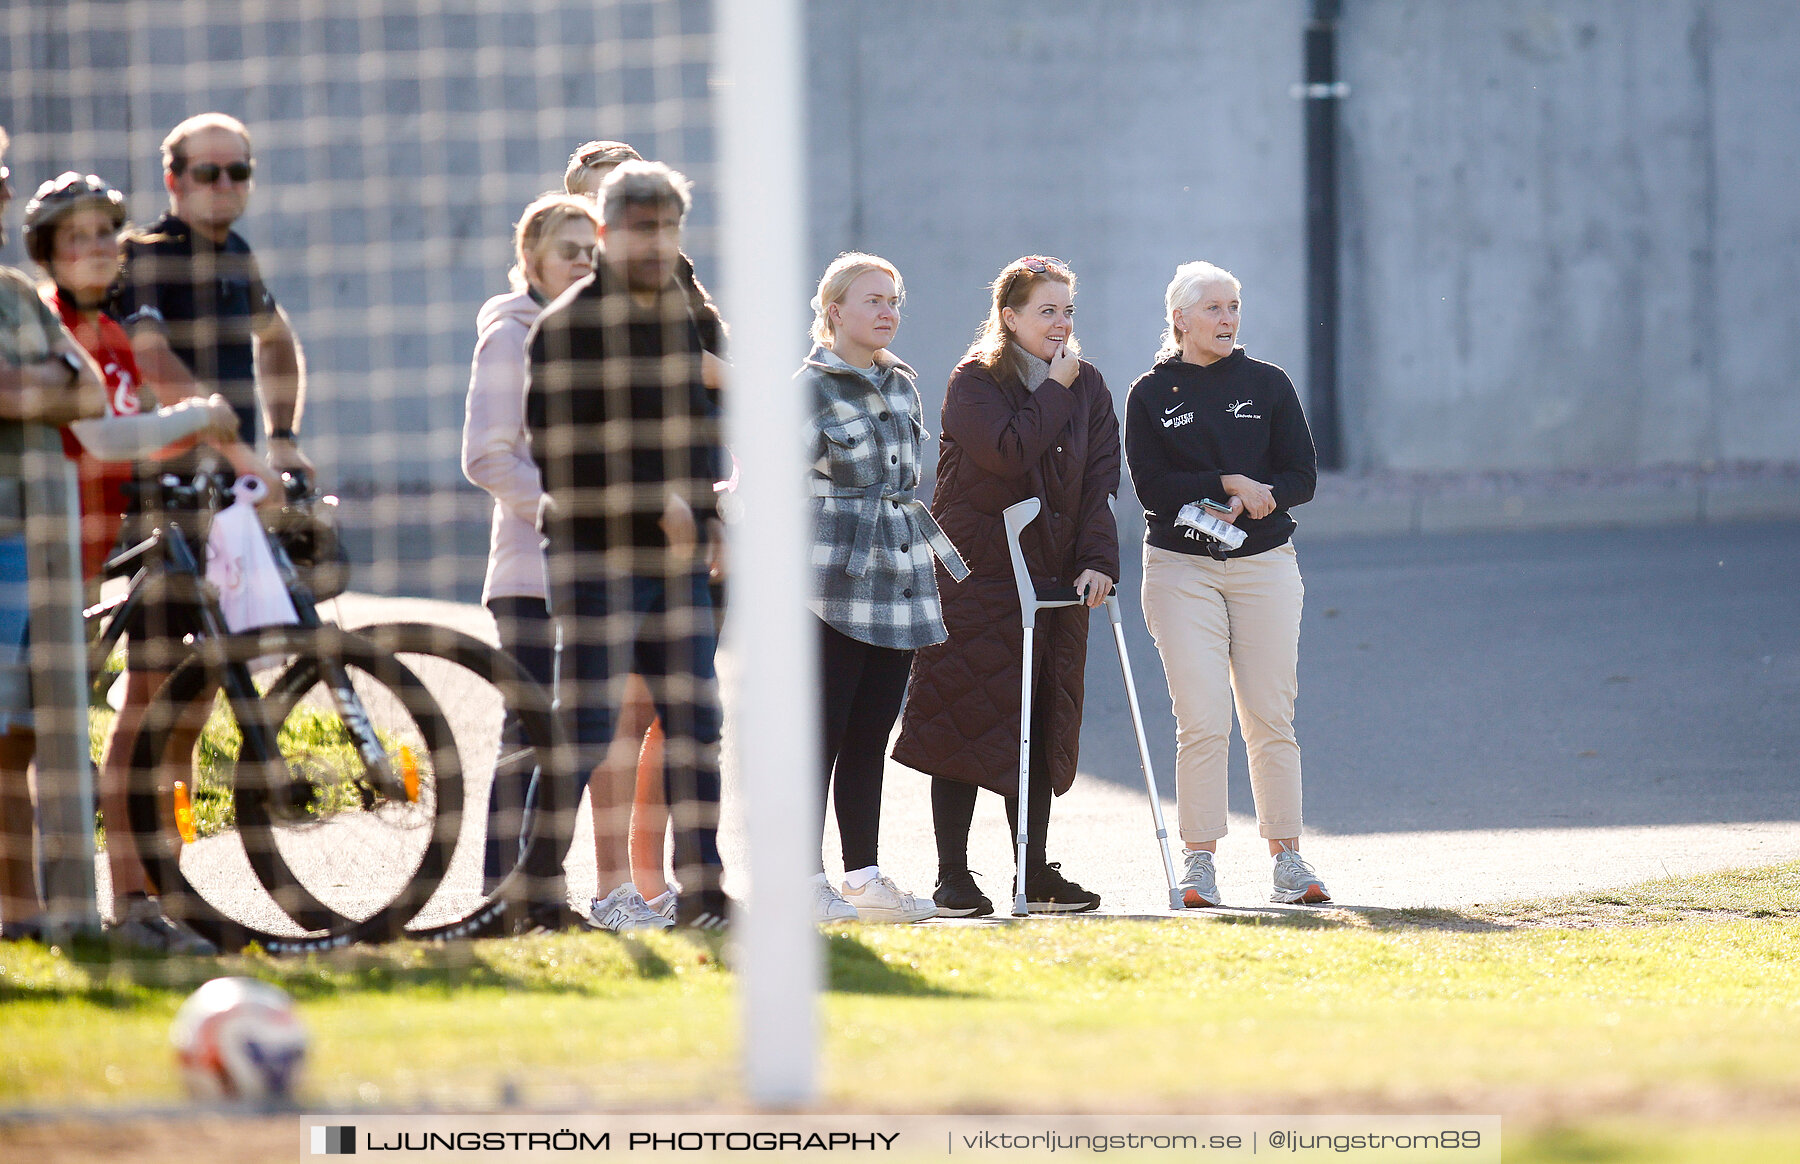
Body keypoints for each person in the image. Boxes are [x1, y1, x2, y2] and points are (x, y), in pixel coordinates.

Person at [25, 170, 267, 952]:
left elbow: (138, 436)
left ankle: (129, 904)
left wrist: (203, 455)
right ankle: (44, 914)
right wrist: (202, 419)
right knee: (29, 738)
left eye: (105, 235)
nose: (96, 250)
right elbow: (98, 438)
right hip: (35, 550)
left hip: (86, 545)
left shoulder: (115, 337)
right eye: (76, 239)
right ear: (49, 254)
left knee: (62, 731)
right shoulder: (51, 327)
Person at [526, 161, 728, 930]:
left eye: (668, 226)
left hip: (676, 564)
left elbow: (697, 431)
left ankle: (703, 895)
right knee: (583, 725)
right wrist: (660, 505)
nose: (655, 241)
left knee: (696, 720)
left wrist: (708, 518)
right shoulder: (566, 325)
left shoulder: (684, 318)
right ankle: (540, 895)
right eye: (641, 227)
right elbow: (563, 454)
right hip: (594, 556)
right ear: (606, 232)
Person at [461, 191, 667, 926]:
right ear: (530, 260)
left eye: (592, 250)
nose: (584, 263)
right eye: (568, 252)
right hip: (531, 575)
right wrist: (572, 514)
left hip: (594, 574)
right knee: (534, 734)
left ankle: (538, 896)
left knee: (572, 737)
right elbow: (486, 457)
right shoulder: (511, 335)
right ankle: (503, 899)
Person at [893, 256, 1120, 916]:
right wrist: (1053, 388)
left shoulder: (1089, 386)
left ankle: (1035, 873)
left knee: (1039, 718)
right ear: (1009, 316)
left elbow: (1099, 484)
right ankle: (952, 876)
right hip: (979, 578)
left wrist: (1099, 560)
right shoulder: (975, 382)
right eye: (1047, 311)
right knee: (963, 718)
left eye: (1068, 310)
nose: (1061, 323)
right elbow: (1007, 452)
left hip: (1052, 580)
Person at [1123, 261, 1326, 907]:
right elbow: (1151, 488)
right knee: (1203, 719)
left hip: (1265, 564)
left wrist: (1263, 496)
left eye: (1234, 306)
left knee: (1271, 714)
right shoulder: (1150, 393)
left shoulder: (1268, 383)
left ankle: (1289, 861)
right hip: (1180, 570)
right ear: (1179, 317)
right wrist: (1228, 483)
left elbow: (1303, 476)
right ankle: (1199, 862)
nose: (1228, 318)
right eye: (1213, 308)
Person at [801, 254, 966, 924]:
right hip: (828, 583)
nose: (888, 311)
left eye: (894, 299)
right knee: (821, 733)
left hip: (897, 577)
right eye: (872, 299)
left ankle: (862, 877)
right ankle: (801, 880)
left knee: (871, 732)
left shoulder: (904, 385)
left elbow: (905, 481)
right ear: (834, 310)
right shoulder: (806, 388)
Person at [0, 127, 109, 941]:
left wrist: (31, 385)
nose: (5, 193)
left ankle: (43, 914)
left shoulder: (13, 293)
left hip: (35, 545)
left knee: (33, 732)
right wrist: (40, 385)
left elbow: (87, 392)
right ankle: (18, 913)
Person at [110, 113, 310, 474]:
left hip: (236, 482)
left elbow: (276, 337)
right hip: (165, 489)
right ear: (174, 181)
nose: (224, 184)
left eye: (238, 172)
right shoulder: (145, 253)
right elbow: (149, 356)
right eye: (206, 173)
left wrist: (281, 441)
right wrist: (236, 451)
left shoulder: (237, 252)